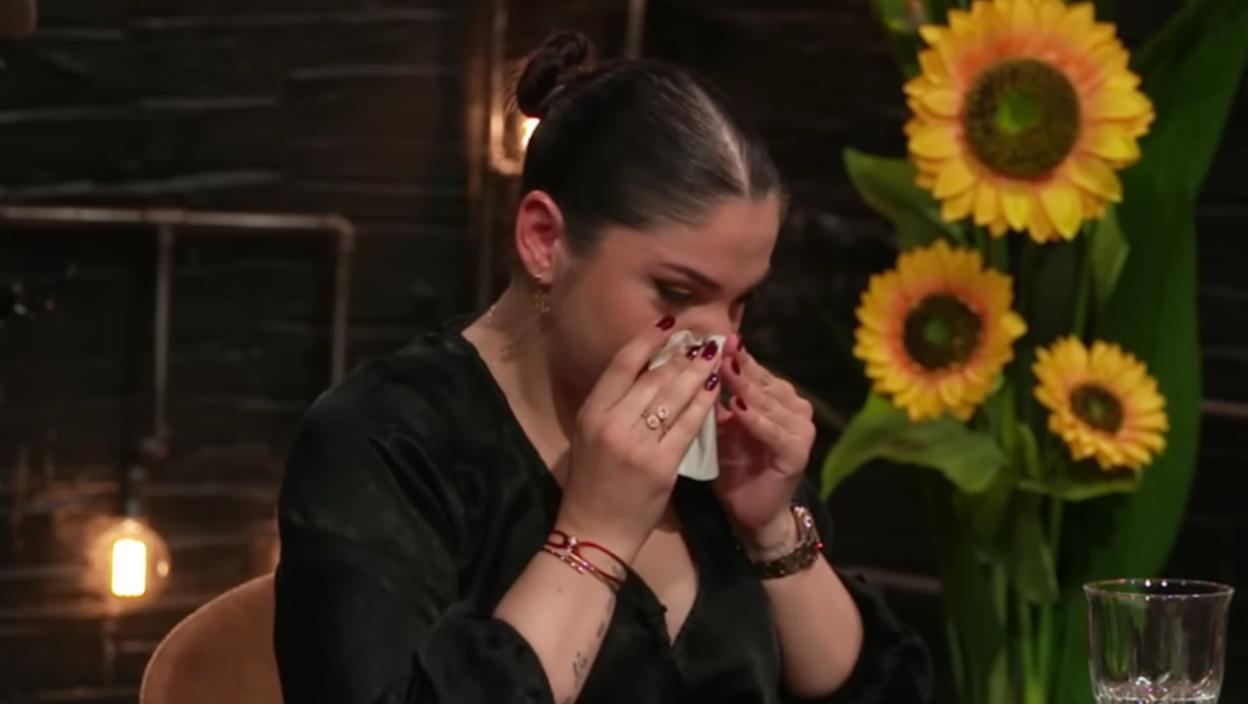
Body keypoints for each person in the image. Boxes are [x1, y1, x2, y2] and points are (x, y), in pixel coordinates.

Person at [274, 31, 932, 704]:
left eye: (741, 302)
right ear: (544, 239)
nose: (719, 341)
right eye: (676, 292)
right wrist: (596, 533)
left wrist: (772, 532)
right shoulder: (385, 442)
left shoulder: (718, 446)